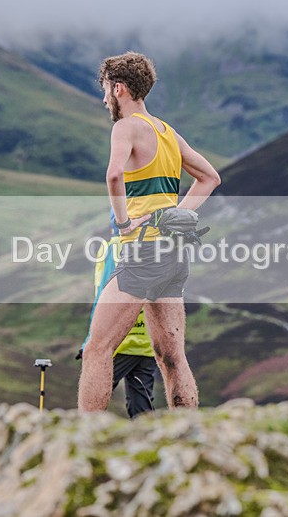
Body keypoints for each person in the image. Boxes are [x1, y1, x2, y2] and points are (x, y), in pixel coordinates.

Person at [78, 52, 221, 412]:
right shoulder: (166, 131)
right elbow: (209, 178)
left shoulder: (125, 128)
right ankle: (187, 434)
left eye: (107, 91)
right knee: (171, 356)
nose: (105, 99)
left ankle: (83, 441)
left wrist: (125, 224)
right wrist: (174, 217)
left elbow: (113, 175)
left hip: (143, 251)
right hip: (172, 254)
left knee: (98, 348)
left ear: (120, 88)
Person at [77, 210, 157, 418]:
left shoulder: (114, 248)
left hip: (117, 343)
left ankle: (86, 443)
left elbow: (104, 299)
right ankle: (147, 447)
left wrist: (90, 341)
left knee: (93, 399)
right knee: (142, 409)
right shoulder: (156, 249)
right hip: (148, 343)